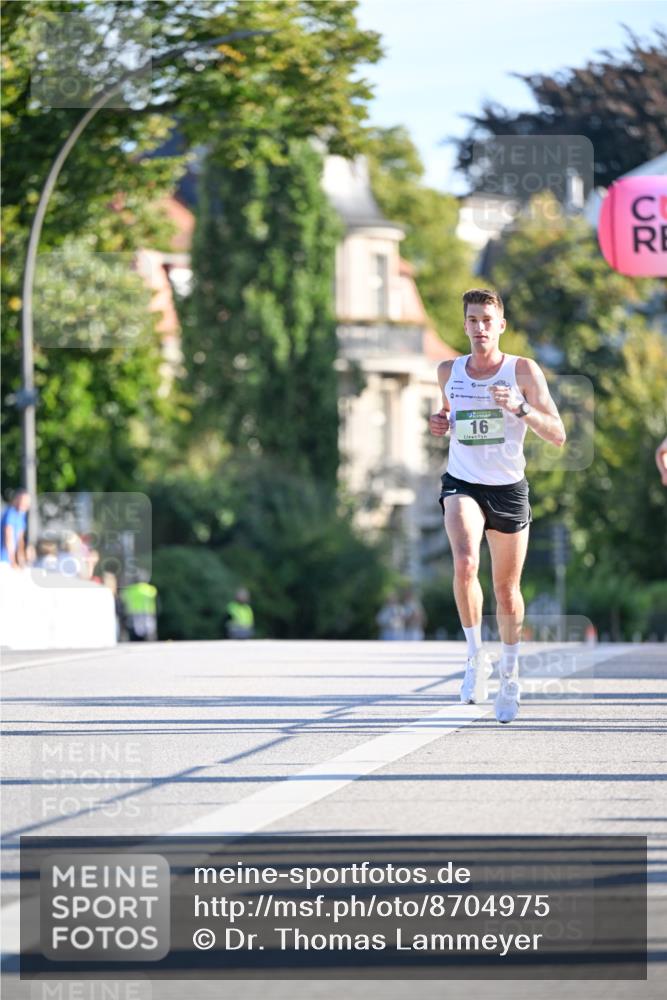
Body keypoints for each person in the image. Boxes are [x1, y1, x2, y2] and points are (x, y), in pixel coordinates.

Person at [429, 288, 566, 724]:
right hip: (462, 482)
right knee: (466, 562)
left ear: (501, 325)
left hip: (507, 488)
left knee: (506, 590)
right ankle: (475, 659)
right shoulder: (448, 370)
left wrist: (521, 407)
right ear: (465, 324)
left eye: (488, 320)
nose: (480, 328)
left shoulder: (522, 370)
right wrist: (439, 421)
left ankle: (510, 672)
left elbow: (559, 434)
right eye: (472, 320)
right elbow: (449, 414)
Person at [121, 572, 158, 641]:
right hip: (147, 612)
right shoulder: (150, 589)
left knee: (135, 629)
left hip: (133, 612)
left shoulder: (130, 590)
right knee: (149, 629)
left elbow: (123, 599)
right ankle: (149, 640)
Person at [0, 488, 30, 569]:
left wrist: (21, 561)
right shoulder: (10, 513)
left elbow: (20, 540)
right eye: (21, 500)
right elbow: (8, 538)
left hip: (8, 561)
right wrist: (13, 562)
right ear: (16, 500)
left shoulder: (21, 516)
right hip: (3, 561)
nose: (24, 504)